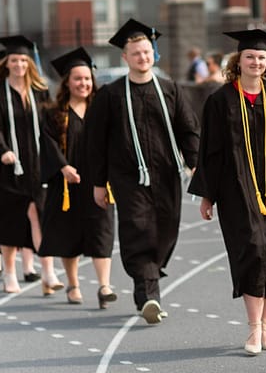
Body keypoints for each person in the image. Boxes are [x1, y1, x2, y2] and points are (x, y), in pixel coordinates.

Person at [188, 29, 266, 354]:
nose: (255, 61)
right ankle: (254, 328)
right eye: (250, 56)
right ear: (238, 61)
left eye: (261, 57)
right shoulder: (220, 99)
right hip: (235, 189)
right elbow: (209, 149)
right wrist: (207, 195)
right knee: (251, 250)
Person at [87, 19, 199, 324]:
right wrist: (98, 184)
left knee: (166, 231)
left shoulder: (169, 89)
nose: (142, 58)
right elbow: (95, 144)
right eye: (136, 53)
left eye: (147, 52)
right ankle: (148, 294)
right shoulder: (110, 96)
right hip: (128, 178)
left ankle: (149, 275)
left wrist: (195, 163)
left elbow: (188, 130)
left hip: (166, 175)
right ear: (125, 57)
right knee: (139, 231)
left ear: (154, 53)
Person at [0, 35, 62, 294]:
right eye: (14, 60)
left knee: (41, 215)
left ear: (29, 62)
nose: (19, 65)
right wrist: (2, 150)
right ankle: (10, 273)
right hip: (9, 166)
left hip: (37, 165)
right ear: (7, 62)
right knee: (11, 221)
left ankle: (48, 269)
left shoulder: (40, 90)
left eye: (23, 60)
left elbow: (49, 126)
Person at [39, 47, 117, 308]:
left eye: (87, 78)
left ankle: (104, 285)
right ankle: (73, 284)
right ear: (67, 82)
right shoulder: (53, 114)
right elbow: (48, 144)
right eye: (77, 79)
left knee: (102, 232)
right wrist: (62, 167)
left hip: (98, 182)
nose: (84, 83)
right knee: (68, 234)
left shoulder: (102, 109)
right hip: (66, 185)